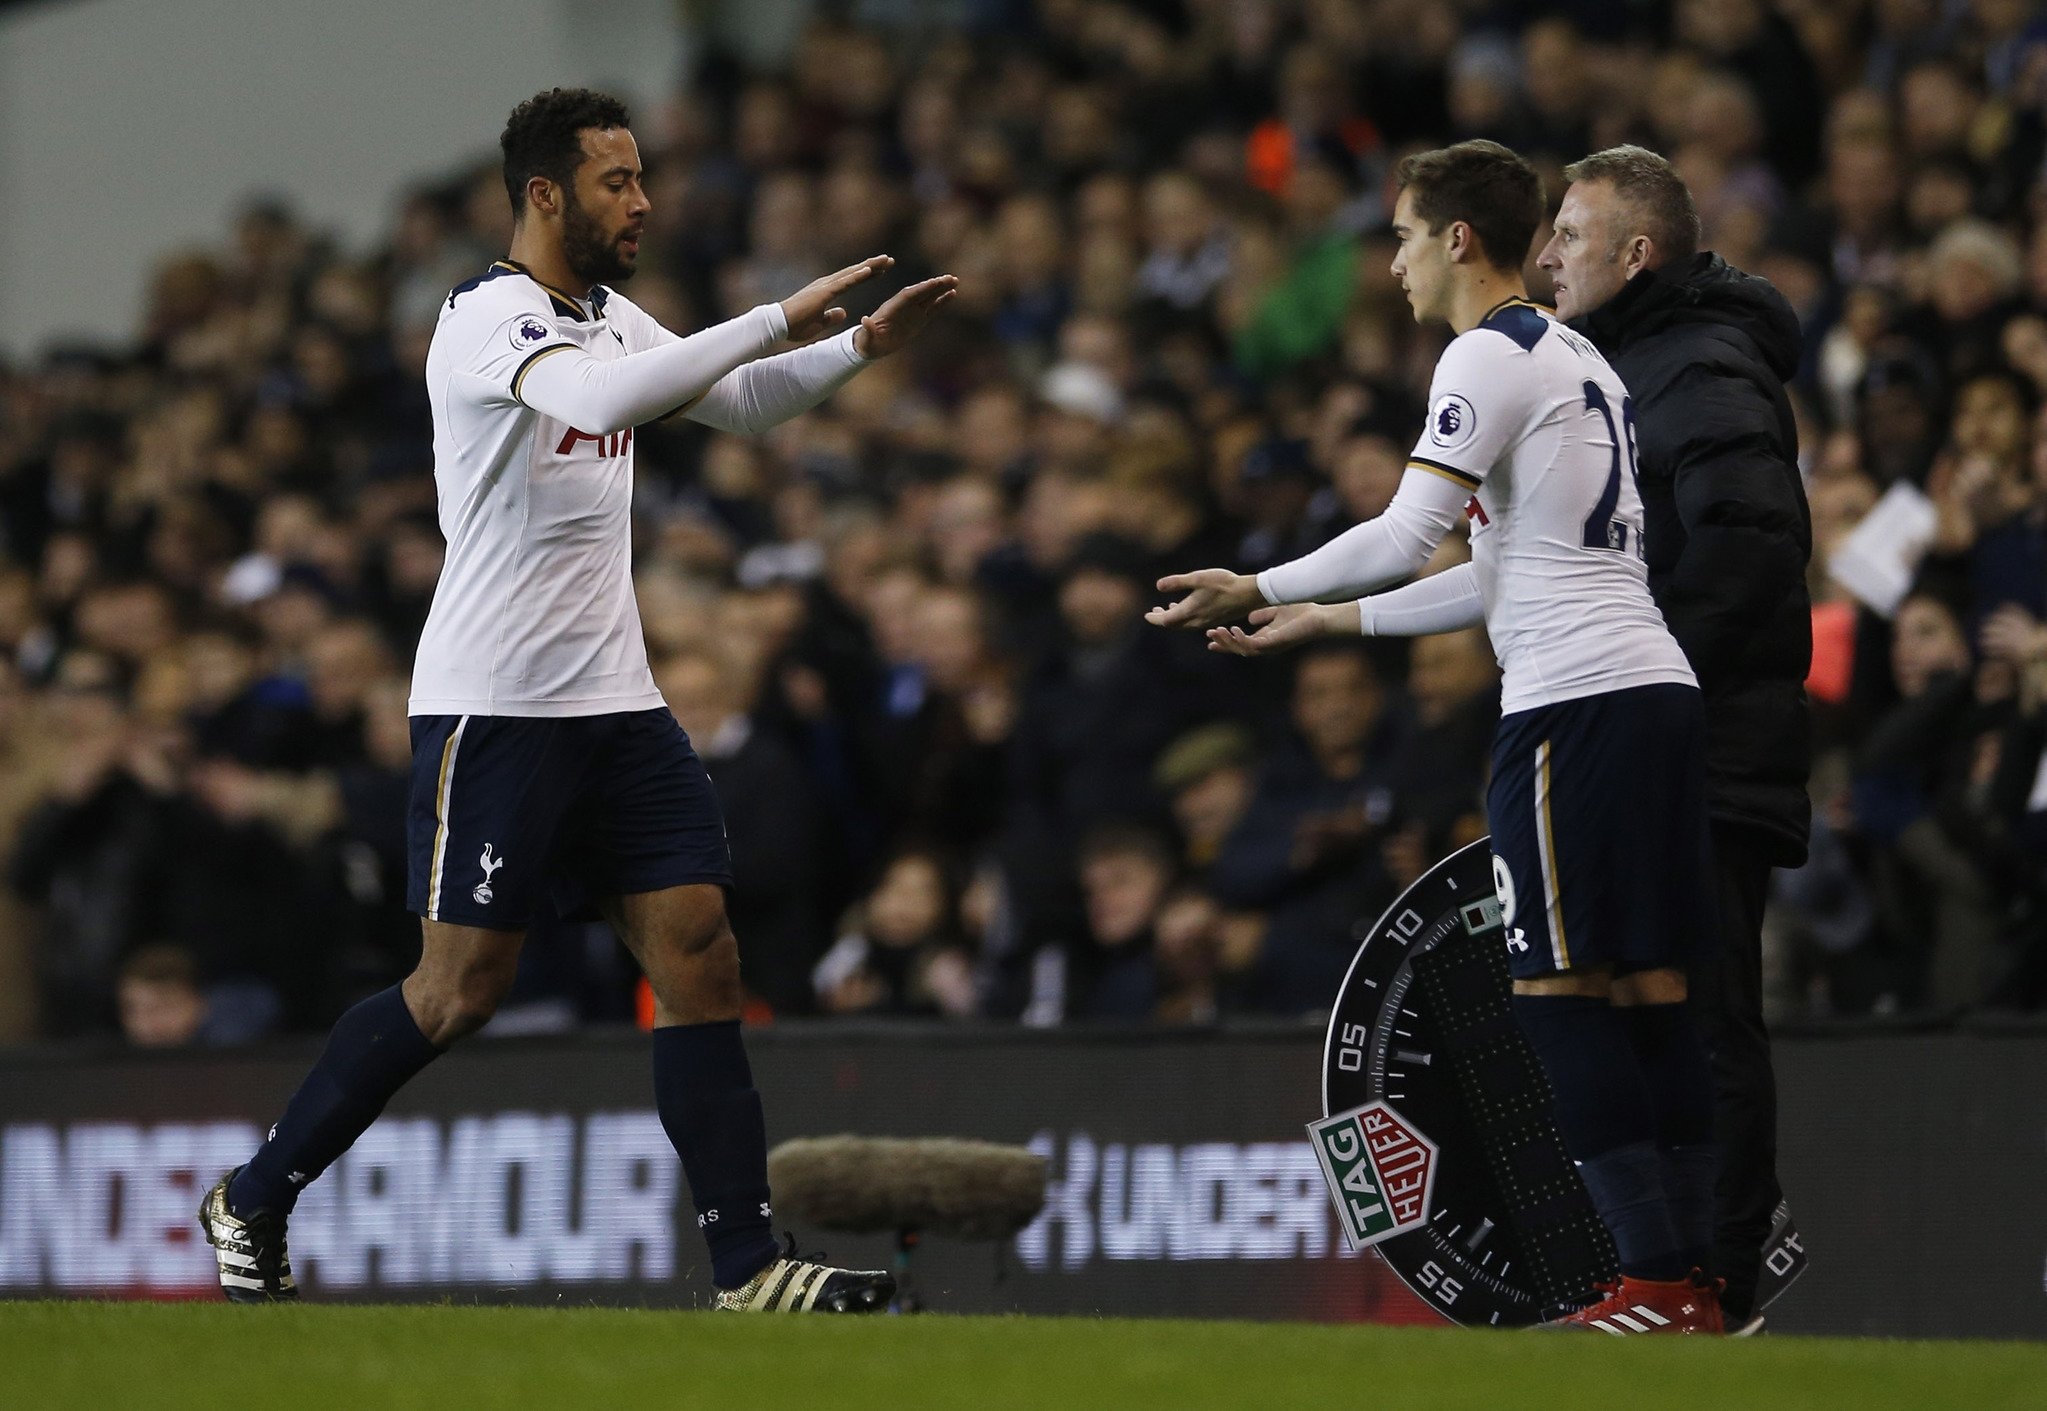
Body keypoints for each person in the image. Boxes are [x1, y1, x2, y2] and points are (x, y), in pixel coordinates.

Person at [198, 88, 956, 1313]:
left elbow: (740, 404)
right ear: (545, 193)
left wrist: (857, 349)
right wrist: (771, 313)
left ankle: (748, 1270)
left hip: (615, 703)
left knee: (701, 952)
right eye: (617, 181)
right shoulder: (483, 319)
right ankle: (258, 1192)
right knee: (457, 991)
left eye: (642, 177)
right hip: (492, 708)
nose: (643, 200)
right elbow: (607, 403)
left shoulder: (606, 315)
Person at [1147, 140, 1724, 1334]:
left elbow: (1411, 532)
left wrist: (1255, 581)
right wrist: (1323, 621)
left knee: (1559, 989)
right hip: (1650, 693)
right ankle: (1697, 1279)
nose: (1395, 262)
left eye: (1405, 236)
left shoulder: (1488, 350)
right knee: (1649, 985)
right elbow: (1489, 575)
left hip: (1572, 706)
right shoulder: (1576, 354)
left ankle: (1657, 1280)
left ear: (1457, 239)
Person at [1536, 144, 1810, 1334]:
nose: (1547, 255)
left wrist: (1645, 688)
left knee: (1699, 1014)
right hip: (1665, 738)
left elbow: (1748, 545)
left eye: (1570, 235)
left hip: (1698, 746)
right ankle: (1675, 1276)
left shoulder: (1695, 364)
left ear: (1633, 255)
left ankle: (1726, 1274)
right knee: (1650, 1008)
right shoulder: (1628, 362)